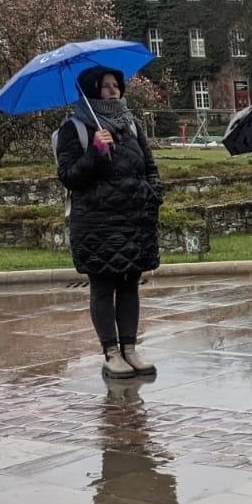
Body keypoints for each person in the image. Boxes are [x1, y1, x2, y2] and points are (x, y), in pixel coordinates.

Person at [55, 67, 163, 379]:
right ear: (92, 90)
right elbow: (69, 176)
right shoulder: (75, 128)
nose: (113, 91)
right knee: (103, 287)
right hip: (98, 223)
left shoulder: (130, 124)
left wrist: (153, 192)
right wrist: (95, 153)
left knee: (130, 285)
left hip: (133, 219)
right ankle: (111, 352)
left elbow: (149, 165)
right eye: (106, 87)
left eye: (116, 85)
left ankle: (130, 348)